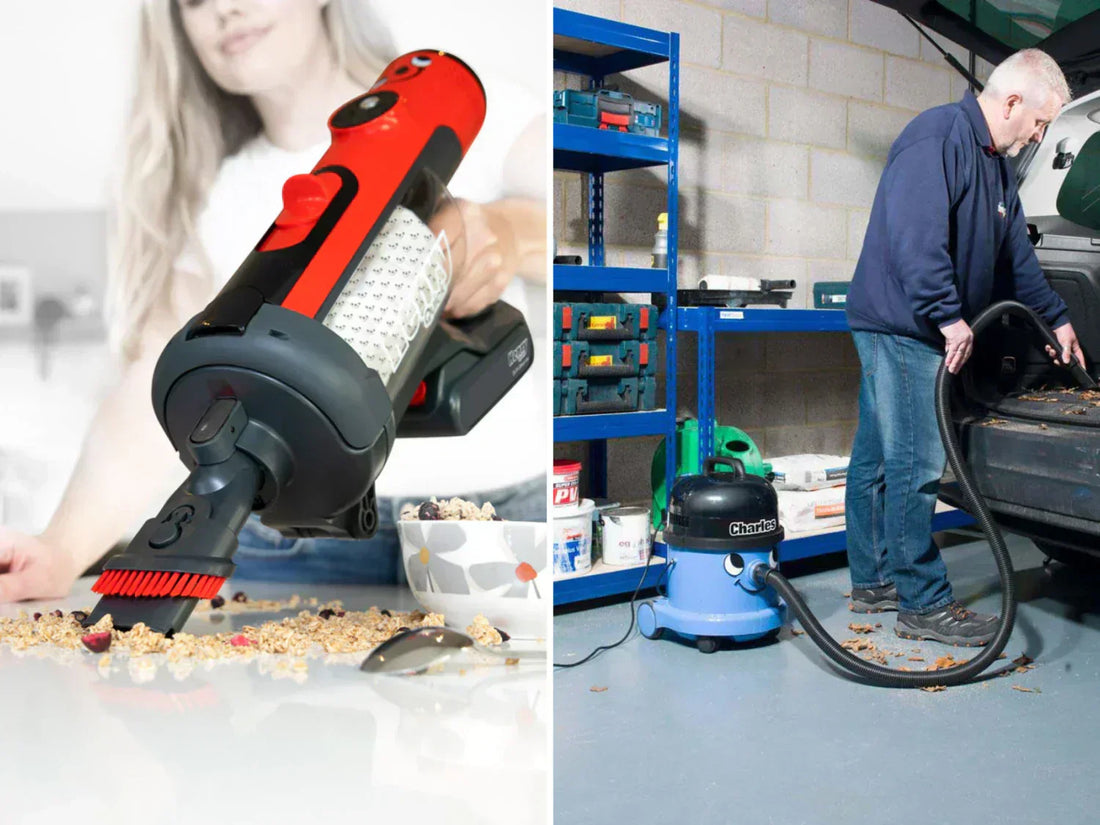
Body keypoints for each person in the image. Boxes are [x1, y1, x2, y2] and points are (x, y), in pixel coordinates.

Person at [0, 0, 546, 601]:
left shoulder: (470, 105)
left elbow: (588, 219)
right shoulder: (212, 199)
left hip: (498, 526)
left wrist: (510, 231)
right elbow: (146, 398)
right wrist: (59, 551)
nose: (225, 11)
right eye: (194, 1)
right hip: (291, 548)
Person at [843, 48, 1083, 647]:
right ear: (1010, 103)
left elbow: (1015, 258)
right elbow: (915, 241)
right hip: (904, 326)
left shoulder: (995, 165)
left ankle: (873, 580)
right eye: (1040, 122)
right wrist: (949, 319)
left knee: (878, 455)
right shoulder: (936, 138)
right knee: (917, 463)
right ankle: (923, 602)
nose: (1039, 134)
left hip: (917, 324)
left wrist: (1056, 318)